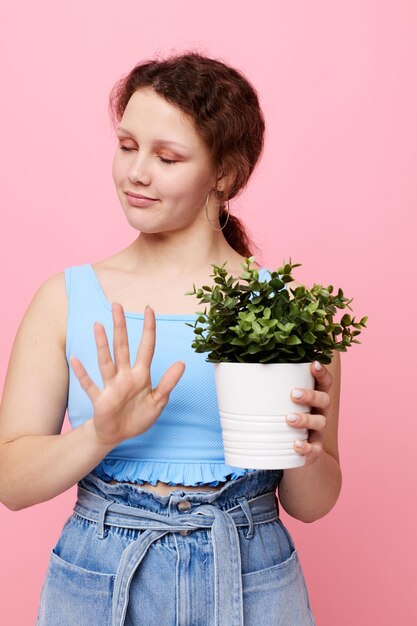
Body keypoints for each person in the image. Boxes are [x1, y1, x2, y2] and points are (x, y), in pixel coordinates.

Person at [0, 51, 341, 625]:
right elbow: (10, 483)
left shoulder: (284, 312)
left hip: (249, 572)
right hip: (101, 573)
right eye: (127, 145)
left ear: (225, 174)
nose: (136, 172)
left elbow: (313, 504)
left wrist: (303, 443)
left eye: (167, 156)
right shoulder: (65, 299)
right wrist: (99, 435)